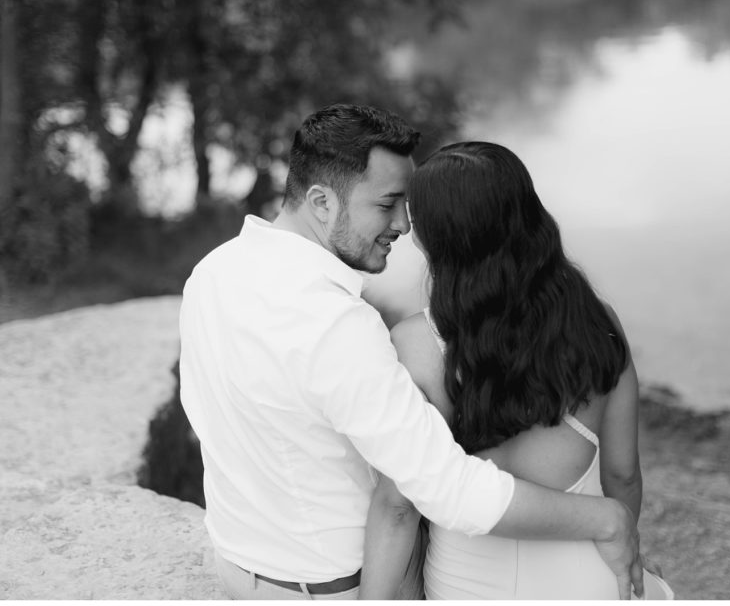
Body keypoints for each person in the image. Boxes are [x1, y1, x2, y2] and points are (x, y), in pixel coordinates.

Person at [179, 105, 644, 601]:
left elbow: (207, 415)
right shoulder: (339, 325)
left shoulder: (213, 272)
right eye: (388, 204)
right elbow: (441, 488)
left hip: (240, 563)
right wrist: (608, 519)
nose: (404, 226)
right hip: (329, 586)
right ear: (321, 203)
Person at [359, 141, 674, 600]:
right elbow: (623, 474)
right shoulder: (596, 325)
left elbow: (398, 507)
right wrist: (626, 545)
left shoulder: (415, 344)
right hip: (584, 575)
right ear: (528, 214)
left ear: (434, 237)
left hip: (464, 582)